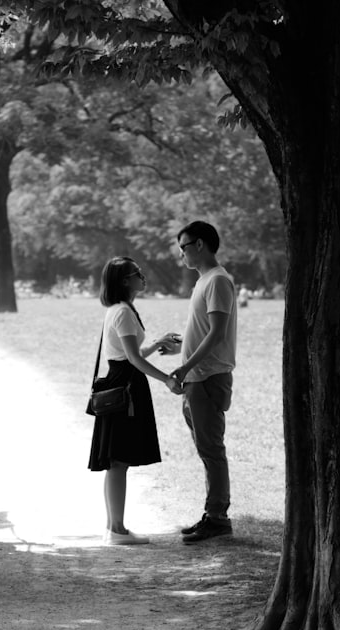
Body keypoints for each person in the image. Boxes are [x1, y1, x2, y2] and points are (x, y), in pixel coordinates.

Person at [87, 257, 181, 545]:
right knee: (119, 461)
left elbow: (130, 355)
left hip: (122, 381)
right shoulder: (123, 312)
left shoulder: (121, 309)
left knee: (117, 461)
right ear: (125, 281)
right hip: (125, 388)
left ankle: (113, 527)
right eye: (136, 273)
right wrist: (166, 379)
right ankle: (117, 530)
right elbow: (134, 359)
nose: (143, 276)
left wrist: (158, 342)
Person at [167, 221, 239, 544]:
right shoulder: (204, 282)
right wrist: (180, 345)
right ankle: (213, 514)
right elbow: (203, 332)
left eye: (184, 247)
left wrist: (184, 367)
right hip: (197, 377)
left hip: (208, 377)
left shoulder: (218, 281)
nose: (181, 253)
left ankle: (218, 518)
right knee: (206, 449)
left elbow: (217, 335)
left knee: (212, 449)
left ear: (200, 244)